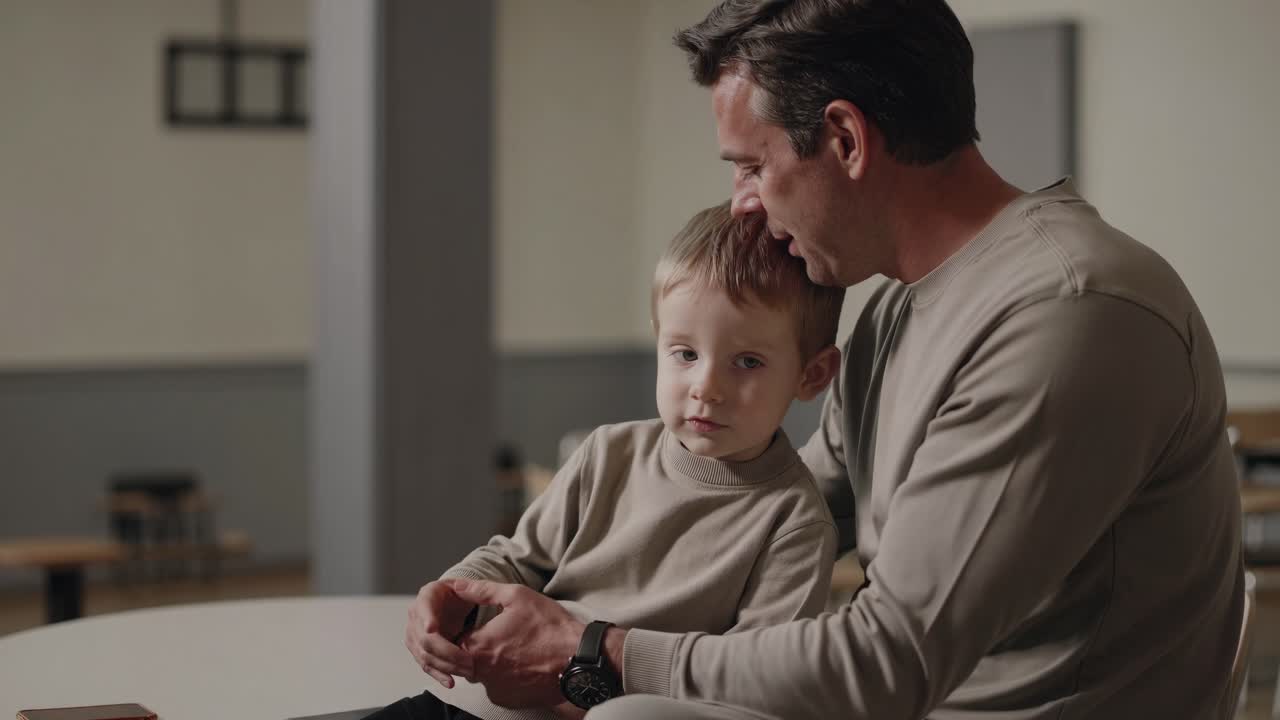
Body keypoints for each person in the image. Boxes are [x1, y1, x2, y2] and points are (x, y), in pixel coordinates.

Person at [406, 1, 1245, 718]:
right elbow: (772, 504)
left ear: (844, 138)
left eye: (751, 166)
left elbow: (890, 660)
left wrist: (593, 650)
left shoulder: (1067, 312)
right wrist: (501, 591)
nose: (742, 206)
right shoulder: (894, 311)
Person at [395, 202, 846, 720]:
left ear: (811, 375)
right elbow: (519, 559)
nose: (706, 389)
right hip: (474, 707)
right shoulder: (607, 454)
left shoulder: (794, 525)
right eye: (684, 353)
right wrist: (453, 592)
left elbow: (752, 689)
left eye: (747, 362)